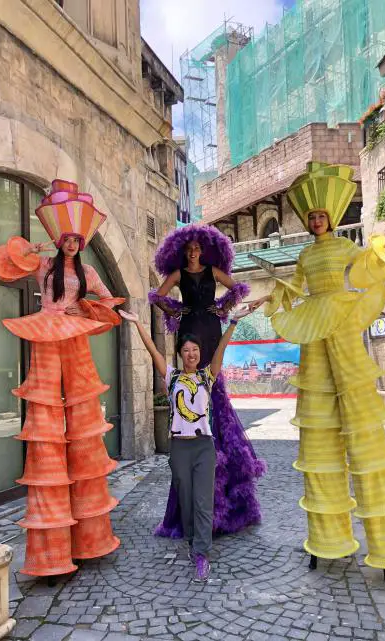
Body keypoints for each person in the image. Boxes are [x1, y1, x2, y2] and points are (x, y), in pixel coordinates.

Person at [250, 162, 385, 575]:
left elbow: (366, 265)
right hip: (315, 328)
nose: (315, 221)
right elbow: (290, 287)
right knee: (319, 429)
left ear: (330, 217)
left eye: (320, 216)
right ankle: (329, 539)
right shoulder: (306, 253)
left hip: (342, 324)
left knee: (361, 424)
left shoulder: (344, 248)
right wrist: (266, 302)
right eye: (310, 217)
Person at [0, 179, 125, 578]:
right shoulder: (46, 265)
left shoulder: (88, 271)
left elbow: (105, 298)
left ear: (80, 244)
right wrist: (28, 250)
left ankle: (89, 537)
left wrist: (83, 311)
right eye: (66, 239)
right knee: (47, 417)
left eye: (76, 241)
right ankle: (52, 545)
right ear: (60, 239)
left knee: (82, 418)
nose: (71, 245)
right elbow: (4, 264)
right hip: (47, 332)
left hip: (73, 335)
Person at [119, 304, 252, 581]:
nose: (191, 355)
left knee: (203, 501)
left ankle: (202, 554)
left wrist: (234, 323)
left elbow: (221, 352)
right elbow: (153, 351)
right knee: (188, 499)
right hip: (179, 449)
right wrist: (136, 324)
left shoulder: (207, 376)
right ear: (180, 354)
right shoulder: (172, 378)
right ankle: (193, 540)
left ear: (199, 354)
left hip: (204, 447)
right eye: (186, 350)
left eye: (195, 350)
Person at [149, 224, 265, 538]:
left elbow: (239, 289)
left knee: (213, 386)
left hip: (212, 327)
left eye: (198, 249)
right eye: (189, 249)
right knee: (193, 381)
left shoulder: (213, 270)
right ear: (183, 251)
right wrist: (175, 309)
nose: (193, 253)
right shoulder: (177, 274)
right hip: (189, 327)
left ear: (204, 250)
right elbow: (155, 297)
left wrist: (224, 306)